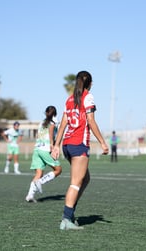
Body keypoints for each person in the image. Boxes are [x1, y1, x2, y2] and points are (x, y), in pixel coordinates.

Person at [51, 70, 109, 230]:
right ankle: (66, 219)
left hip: (67, 145)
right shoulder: (88, 96)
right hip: (78, 144)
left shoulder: (69, 99)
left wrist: (56, 145)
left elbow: (62, 124)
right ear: (90, 84)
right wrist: (103, 143)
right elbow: (90, 120)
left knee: (85, 179)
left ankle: (69, 214)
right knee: (76, 183)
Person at [25, 106, 62, 202]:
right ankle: (40, 182)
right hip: (45, 149)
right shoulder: (54, 120)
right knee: (58, 170)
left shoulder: (41, 122)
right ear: (55, 113)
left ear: (46, 113)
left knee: (39, 173)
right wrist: (51, 144)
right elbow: (51, 128)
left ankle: (30, 195)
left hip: (37, 149)